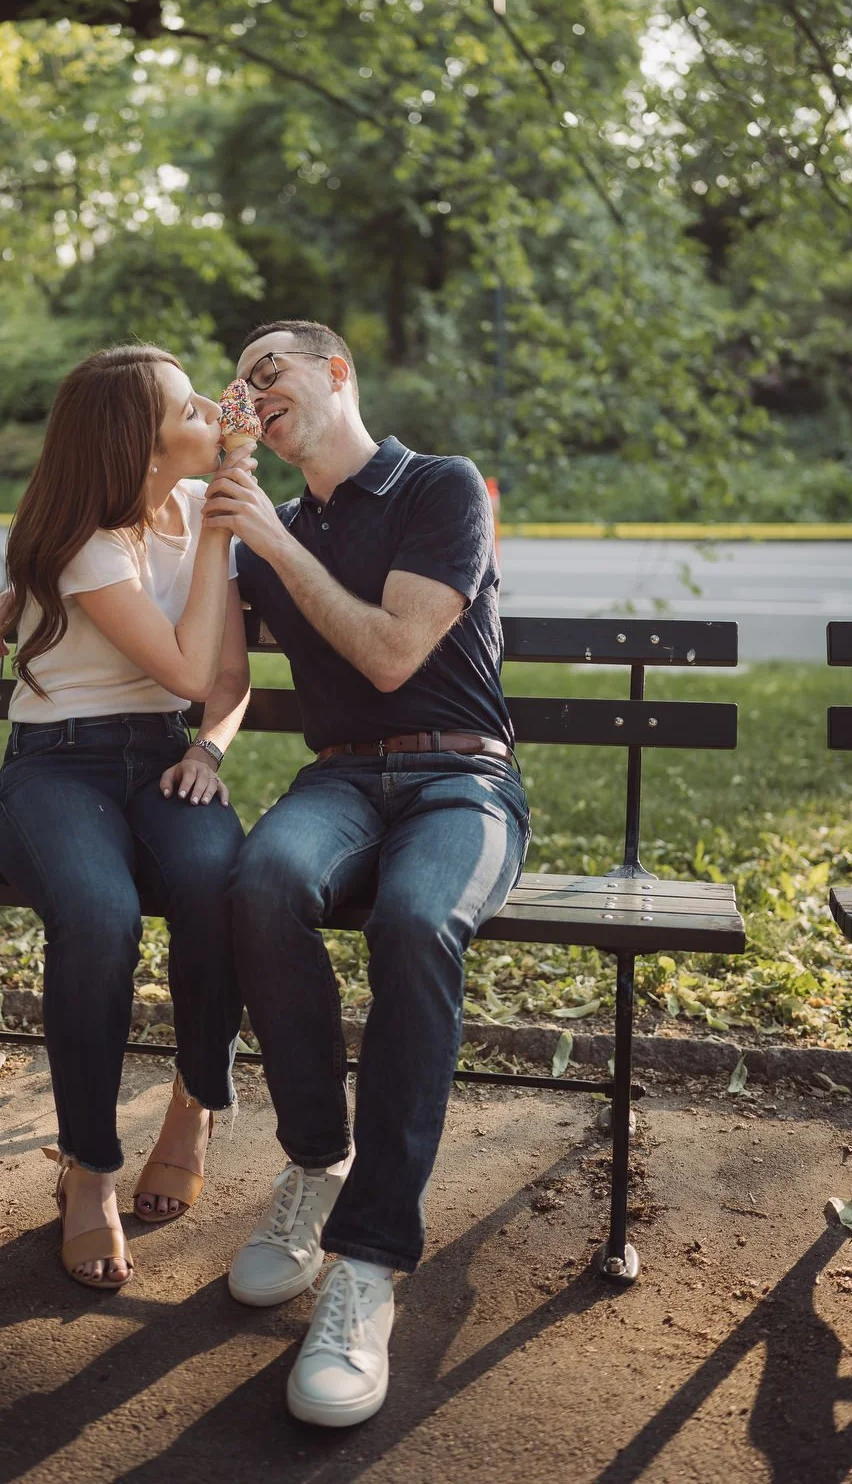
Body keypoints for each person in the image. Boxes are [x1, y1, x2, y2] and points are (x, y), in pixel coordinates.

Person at [203, 320, 530, 1427]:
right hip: (340, 784)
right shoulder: (265, 528)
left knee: (415, 921)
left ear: (335, 372)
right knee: (257, 883)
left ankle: (368, 1263)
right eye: (236, 385)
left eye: (268, 371)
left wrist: (274, 542)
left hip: (463, 785)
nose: (249, 392)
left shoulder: (438, 486)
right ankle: (315, 1163)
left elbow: (395, 650)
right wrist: (38, 594)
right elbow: (204, 652)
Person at [0, 346, 252, 1291]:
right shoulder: (87, 542)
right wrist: (222, 531)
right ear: (143, 444)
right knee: (100, 917)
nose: (215, 410)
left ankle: (194, 1104)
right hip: (58, 770)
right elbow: (185, 667)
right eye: (191, 406)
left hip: (164, 760)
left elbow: (220, 687)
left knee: (225, 881)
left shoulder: (193, 516)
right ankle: (89, 1166)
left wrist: (206, 750)